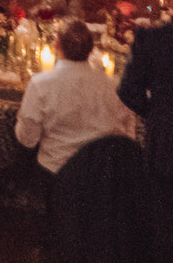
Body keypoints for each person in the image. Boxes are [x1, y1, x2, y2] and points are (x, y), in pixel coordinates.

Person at [17, 19, 136, 180]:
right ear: (91, 49)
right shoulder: (111, 86)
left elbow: (28, 139)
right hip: (99, 177)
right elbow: (127, 131)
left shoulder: (40, 84)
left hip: (55, 174)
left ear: (57, 46)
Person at [118, 9, 173, 221]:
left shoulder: (153, 39)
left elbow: (128, 91)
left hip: (165, 142)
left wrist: (156, 113)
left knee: (164, 221)